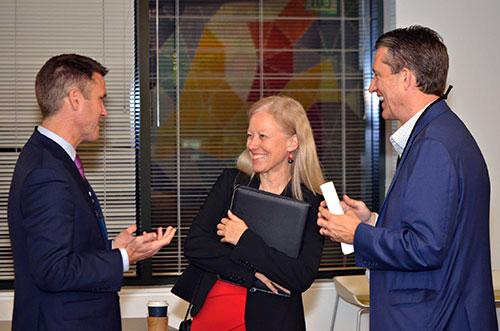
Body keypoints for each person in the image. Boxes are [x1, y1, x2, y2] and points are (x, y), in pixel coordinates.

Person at [317, 25, 498, 330]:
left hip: (434, 318)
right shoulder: (440, 133)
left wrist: (356, 234)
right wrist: (372, 221)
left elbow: (425, 247)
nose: (373, 87)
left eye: (377, 74)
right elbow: (437, 230)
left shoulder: (434, 145)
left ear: (406, 77)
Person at [8, 54, 176, 331]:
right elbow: (53, 271)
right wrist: (123, 258)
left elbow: (64, 251)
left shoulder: (50, 158)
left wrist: (112, 249)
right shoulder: (47, 172)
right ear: (75, 99)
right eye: (100, 99)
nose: (104, 111)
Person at [172, 95, 326, 330]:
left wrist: (243, 238)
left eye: (262, 136)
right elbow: (195, 245)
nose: (252, 145)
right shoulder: (231, 183)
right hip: (214, 312)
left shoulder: (312, 202)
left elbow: (300, 276)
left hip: (273, 321)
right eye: (250, 135)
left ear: (292, 142)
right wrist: (251, 272)